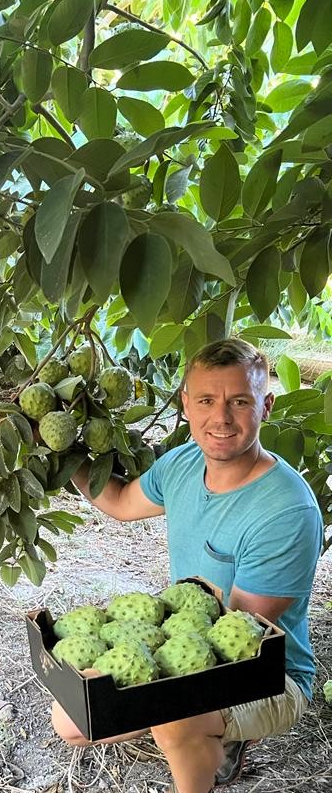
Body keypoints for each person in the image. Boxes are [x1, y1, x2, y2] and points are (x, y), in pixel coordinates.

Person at [52, 338, 323, 793]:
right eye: (206, 400)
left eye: (239, 401)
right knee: (72, 722)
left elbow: (237, 637)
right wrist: (68, 455)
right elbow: (118, 501)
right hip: (190, 637)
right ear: (186, 403)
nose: (221, 418)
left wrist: (158, 693)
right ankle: (204, 731)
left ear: (267, 405)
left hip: (269, 671)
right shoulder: (181, 464)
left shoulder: (286, 512)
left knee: (174, 720)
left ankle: (211, 742)